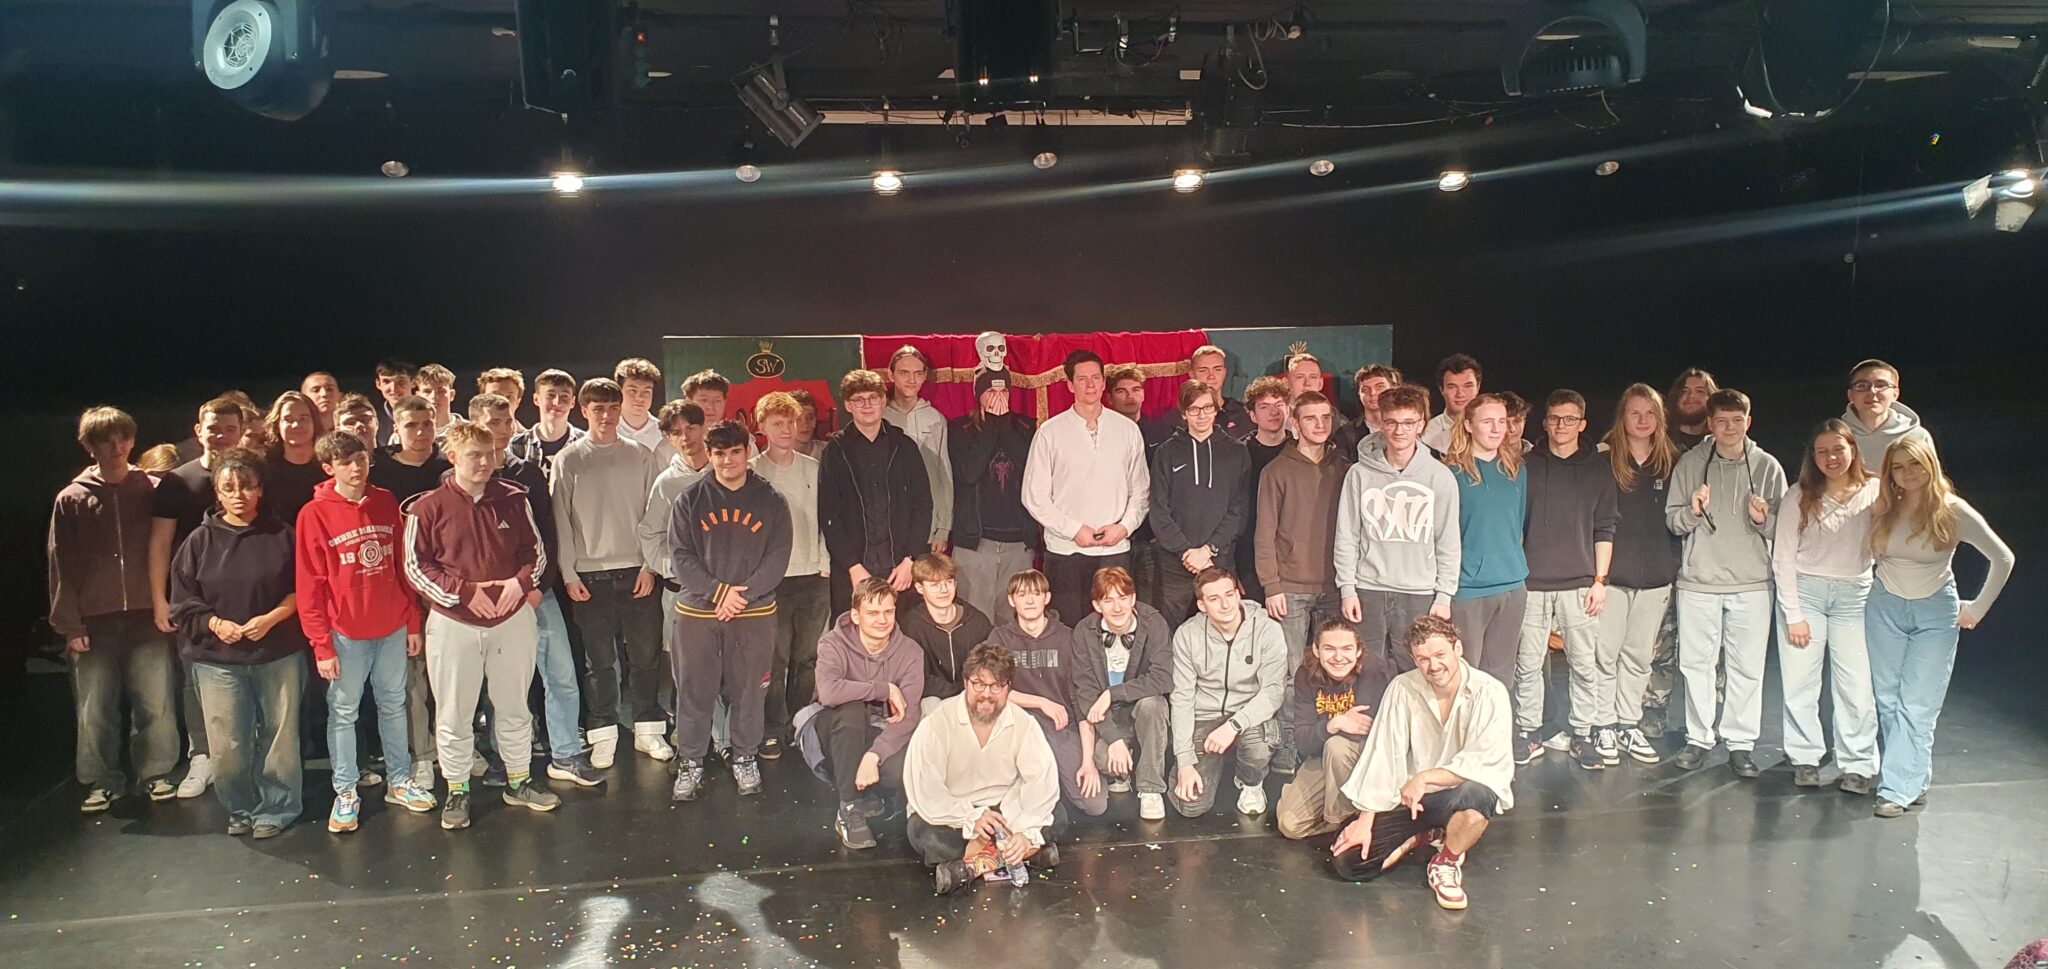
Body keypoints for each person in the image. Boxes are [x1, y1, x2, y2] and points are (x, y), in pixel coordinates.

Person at [402, 423, 559, 830]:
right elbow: (416, 568)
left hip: (512, 619)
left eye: (489, 454)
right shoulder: (427, 508)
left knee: (514, 705)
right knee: (454, 712)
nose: (485, 462)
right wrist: (465, 593)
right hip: (454, 623)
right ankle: (457, 789)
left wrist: (518, 584)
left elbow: (535, 552)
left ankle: (519, 781)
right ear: (453, 457)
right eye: (474, 455)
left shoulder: (514, 498)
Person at [295, 431, 437, 833]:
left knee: (394, 704)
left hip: (391, 626)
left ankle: (400, 780)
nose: (356, 468)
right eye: (345, 462)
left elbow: (401, 566)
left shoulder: (385, 501)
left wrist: (412, 621)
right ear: (329, 468)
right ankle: (345, 791)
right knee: (344, 711)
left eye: (360, 459)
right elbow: (309, 585)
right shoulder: (313, 514)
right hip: (345, 633)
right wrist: (322, 645)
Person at [1866, 436, 2013, 817]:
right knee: (1888, 699)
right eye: (1898, 467)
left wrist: (1978, 608)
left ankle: (1895, 789)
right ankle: (1913, 778)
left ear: (1930, 463)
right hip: (1884, 607)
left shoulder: (1952, 510)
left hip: (1934, 612)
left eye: (1914, 464)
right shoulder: (1885, 505)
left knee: (1918, 703)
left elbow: (2002, 558)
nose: (1907, 473)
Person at [1330, 615, 1513, 912]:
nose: (1433, 666)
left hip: (1458, 794)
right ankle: (1428, 834)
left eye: (1440, 655)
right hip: (1412, 801)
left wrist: (1425, 778)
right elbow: (1383, 754)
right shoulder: (1402, 688)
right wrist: (1365, 820)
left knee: (1479, 794)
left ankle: (1446, 861)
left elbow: (1484, 761)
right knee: (1349, 864)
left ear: (1458, 649)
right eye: (1423, 659)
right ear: (1414, 660)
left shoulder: (1489, 691)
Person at [168, 448, 306, 838]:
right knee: (227, 743)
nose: (239, 495)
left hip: (277, 652)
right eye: (229, 488)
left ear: (260, 489)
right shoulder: (198, 541)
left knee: (280, 737)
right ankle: (241, 807)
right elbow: (183, 601)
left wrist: (271, 618)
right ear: (217, 493)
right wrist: (215, 623)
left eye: (247, 486)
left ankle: (277, 807)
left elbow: (303, 588)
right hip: (218, 659)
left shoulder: (283, 535)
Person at [50, 406, 179, 812]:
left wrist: (166, 603)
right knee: (95, 707)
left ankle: (156, 773)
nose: (116, 446)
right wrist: (70, 624)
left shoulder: (153, 488)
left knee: (155, 701)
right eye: (105, 440)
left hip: (146, 613)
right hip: (95, 620)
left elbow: (168, 549)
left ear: (133, 440)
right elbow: (60, 563)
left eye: (123, 437)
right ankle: (102, 779)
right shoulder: (72, 498)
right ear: (89, 446)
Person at [472, 394, 602, 789]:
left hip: (536, 593)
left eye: (506, 420)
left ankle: (566, 753)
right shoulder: (461, 477)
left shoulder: (527, 473)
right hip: (492, 599)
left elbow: (547, 533)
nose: (501, 429)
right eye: (492, 422)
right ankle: (505, 758)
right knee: (502, 683)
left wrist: (535, 587)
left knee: (561, 673)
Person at [667, 421, 794, 802]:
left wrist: (743, 595)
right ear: (709, 454)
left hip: (753, 613)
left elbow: (777, 557)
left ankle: (744, 756)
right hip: (699, 613)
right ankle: (691, 760)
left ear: (747, 451)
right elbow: (681, 556)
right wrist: (719, 592)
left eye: (735, 452)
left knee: (750, 692)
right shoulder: (690, 500)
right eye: (719, 454)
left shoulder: (771, 500)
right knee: (694, 691)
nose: (727, 461)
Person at [1664, 389, 1788, 777]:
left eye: (1737, 421)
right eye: (1721, 421)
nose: (1729, 428)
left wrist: (1762, 520)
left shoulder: (1767, 466)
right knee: (1695, 665)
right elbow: (1673, 521)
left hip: (1752, 584)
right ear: (1710, 424)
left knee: (1746, 668)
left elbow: (1784, 530)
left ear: (1748, 422)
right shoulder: (1690, 464)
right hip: (1699, 582)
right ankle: (1699, 738)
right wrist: (1692, 511)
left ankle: (1740, 743)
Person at [554, 377, 668, 768]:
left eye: (612, 408)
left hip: (638, 571)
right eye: (598, 409)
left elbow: (655, 516)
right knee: (599, 662)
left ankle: (648, 728)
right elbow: (561, 519)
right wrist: (569, 573)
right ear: (584, 411)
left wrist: (650, 565)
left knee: (645, 657)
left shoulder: (641, 455)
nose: (606, 415)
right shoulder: (568, 459)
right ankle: (603, 732)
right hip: (590, 576)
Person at [1771, 419, 1881, 792]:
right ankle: (1805, 757)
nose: (1831, 458)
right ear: (1813, 457)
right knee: (1801, 682)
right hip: (1807, 594)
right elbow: (1783, 556)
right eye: (1822, 452)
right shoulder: (1799, 495)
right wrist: (1793, 614)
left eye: (1838, 449)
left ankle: (1858, 763)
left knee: (1856, 685)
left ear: (1852, 450)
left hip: (1855, 597)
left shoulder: (1875, 491)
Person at [1512, 390, 1617, 770]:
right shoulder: (1526, 466)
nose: (1561, 425)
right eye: (1555, 418)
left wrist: (1600, 580)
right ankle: (1529, 733)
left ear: (1582, 424)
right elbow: (1515, 526)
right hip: (1532, 584)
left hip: (1580, 584)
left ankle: (1583, 734)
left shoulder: (1598, 469)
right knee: (1527, 666)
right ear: (1545, 423)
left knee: (1584, 665)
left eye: (1570, 419)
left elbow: (1605, 527)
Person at [904, 642, 1062, 895]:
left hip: (1005, 809)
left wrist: (1023, 831)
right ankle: (1029, 854)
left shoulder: (1024, 723)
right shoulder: (937, 723)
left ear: (1008, 688)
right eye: (978, 684)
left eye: (996, 686)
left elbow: (1040, 781)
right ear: (966, 682)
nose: (986, 694)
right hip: (955, 811)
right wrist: (970, 818)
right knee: (923, 833)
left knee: (1058, 815)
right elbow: (927, 790)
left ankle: (970, 867)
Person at [149, 394, 245, 800]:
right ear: (198, 431)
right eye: (213, 429)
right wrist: (160, 599)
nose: (221, 436)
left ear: (241, 433)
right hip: (193, 599)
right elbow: (160, 543)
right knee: (194, 679)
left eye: (229, 429)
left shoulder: (252, 476)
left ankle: (244, 755)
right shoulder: (177, 481)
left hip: (244, 596)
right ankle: (202, 755)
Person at [1256, 390, 1353, 772]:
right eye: (1311, 418)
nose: (1320, 425)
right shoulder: (1276, 471)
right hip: (1291, 588)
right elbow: (1265, 534)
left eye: (1325, 418)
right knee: (1291, 673)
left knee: (1336, 666)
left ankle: (1332, 740)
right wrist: (1272, 586)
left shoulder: (1344, 468)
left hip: (1334, 586)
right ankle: (1289, 745)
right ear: (1294, 423)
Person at [1336, 385, 1460, 672]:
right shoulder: (1359, 474)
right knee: (1366, 671)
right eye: (1391, 422)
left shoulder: (1440, 477)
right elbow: (1347, 535)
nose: (1399, 430)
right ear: (1381, 423)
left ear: (1421, 425)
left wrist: (1444, 595)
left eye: (1408, 422)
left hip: (1419, 592)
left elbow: (1448, 540)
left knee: (1417, 670)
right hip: (1368, 589)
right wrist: (1347, 588)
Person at [1022, 350, 1150, 624]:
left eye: (1096, 378)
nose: (1090, 385)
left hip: (1114, 550)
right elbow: (1034, 496)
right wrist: (1073, 530)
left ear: (1103, 383)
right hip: (1066, 552)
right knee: (1069, 626)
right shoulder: (1050, 432)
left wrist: (1124, 527)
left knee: (1115, 624)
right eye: (1082, 379)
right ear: (1070, 385)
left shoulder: (1127, 430)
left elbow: (1141, 491)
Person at [1594, 384, 1681, 767]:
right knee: (1605, 654)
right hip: (1612, 576)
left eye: (1650, 413)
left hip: (1656, 576)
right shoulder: (1603, 458)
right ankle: (1602, 725)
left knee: (1639, 657)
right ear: (1623, 417)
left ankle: (1628, 723)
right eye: (1635, 412)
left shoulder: (1673, 462)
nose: (1643, 420)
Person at [813, 578, 925, 850]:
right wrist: (884, 689)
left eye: (888, 611)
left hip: (880, 731)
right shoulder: (833, 644)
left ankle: (870, 790)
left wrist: (874, 755)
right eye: (873, 613)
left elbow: (909, 713)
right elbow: (828, 692)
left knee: (899, 770)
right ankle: (848, 807)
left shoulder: (910, 651)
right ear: (856, 616)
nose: (882, 620)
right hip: (836, 730)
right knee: (851, 710)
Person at [988, 569, 1108, 818]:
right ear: (1011, 600)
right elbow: (990, 689)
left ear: (1047, 598)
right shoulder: (1000, 638)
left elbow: (1081, 698)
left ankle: (1059, 781)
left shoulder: (1067, 637)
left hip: (1060, 727)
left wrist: (1088, 761)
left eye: (1036, 594)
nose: (1030, 601)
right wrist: (1040, 702)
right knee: (1014, 799)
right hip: (1017, 727)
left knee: (1095, 805)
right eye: (1022, 595)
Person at [1169, 567, 1288, 818]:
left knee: (1259, 744)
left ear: (1238, 594)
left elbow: (1274, 691)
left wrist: (1234, 725)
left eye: (1229, 594)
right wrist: (1184, 762)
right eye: (1214, 599)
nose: (1225, 604)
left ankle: (1250, 781)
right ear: (1202, 605)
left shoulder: (1267, 629)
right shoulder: (1187, 634)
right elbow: (1182, 698)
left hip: (1248, 717)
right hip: (1205, 717)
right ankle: (1214, 765)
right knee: (1191, 807)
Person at [752, 392, 832, 756]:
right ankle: (772, 727)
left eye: (791, 422)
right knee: (775, 658)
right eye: (778, 423)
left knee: (806, 656)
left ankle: (800, 722)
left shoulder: (813, 468)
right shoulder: (752, 471)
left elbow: (826, 519)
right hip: (772, 580)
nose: (787, 430)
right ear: (762, 427)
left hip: (813, 575)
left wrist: (825, 562)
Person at [818, 369, 933, 614]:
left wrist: (910, 560)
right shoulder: (835, 450)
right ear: (848, 405)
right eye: (859, 400)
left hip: (900, 569)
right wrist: (852, 566)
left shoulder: (905, 446)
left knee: (903, 630)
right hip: (854, 570)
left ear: (883, 401)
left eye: (873, 397)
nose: (867, 405)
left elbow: (923, 506)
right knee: (853, 632)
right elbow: (829, 515)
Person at [1069, 566, 1175, 820]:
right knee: (1104, 759)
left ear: (1133, 598)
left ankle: (1150, 789)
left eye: (1123, 598)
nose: (1118, 607)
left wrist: (1112, 693)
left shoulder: (1153, 622)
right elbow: (1085, 693)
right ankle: (1123, 769)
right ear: (1097, 605)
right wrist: (1114, 739)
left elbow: (1163, 679)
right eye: (1108, 600)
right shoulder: (1084, 631)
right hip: (1108, 716)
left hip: (1140, 709)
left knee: (1154, 704)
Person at [1276, 620, 1393, 840]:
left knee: (1337, 746)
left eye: (1346, 649)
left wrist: (1325, 731)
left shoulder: (1373, 670)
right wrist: (1333, 724)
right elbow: (1303, 742)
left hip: (1368, 759)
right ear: (1316, 650)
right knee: (1289, 825)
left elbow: (1364, 730)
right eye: (1329, 649)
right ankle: (1347, 821)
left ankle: (1349, 820)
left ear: (1358, 651)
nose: (1338, 657)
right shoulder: (1305, 674)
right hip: (1321, 757)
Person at [1443, 393, 1528, 693]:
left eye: (1501, 422)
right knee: (1466, 676)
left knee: (1501, 678)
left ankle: (1497, 726)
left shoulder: (1515, 469)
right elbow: (1445, 534)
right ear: (1468, 425)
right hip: (1468, 590)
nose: (1496, 429)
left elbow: (1518, 523)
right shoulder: (1451, 473)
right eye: (1487, 422)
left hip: (1511, 586)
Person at [1148, 379, 1252, 622]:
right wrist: (1186, 552)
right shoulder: (1166, 452)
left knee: (1222, 625)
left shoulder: (1237, 451)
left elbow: (1239, 510)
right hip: (1175, 563)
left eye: (1207, 407)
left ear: (1216, 410)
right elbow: (1159, 511)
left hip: (1218, 559)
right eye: (1194, 409)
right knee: (1171, 628)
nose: (1202, 415)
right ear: (1184, 413)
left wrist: (1208, 550)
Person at [946, 369, 1037, 624]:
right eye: (990, 391)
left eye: (1003, 391)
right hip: (976, 540)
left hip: (1018, 541)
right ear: (978, 395)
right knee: (974, 619)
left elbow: (1030, 470)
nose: (998, 397)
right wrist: (990, 428)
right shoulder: (960, 428)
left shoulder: (1026, 427)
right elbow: (968, 472)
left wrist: (1004, 425)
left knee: (1014, 618)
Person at [897, 554, 993, 715]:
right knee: (932, 705)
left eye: (948, 582)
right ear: (919, 587)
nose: (944, 590)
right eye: (935, 585)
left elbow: (990, 668)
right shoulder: (910, 626)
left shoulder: (977, 621)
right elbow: (919, 679)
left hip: (974, 696)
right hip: (932, 698)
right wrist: (958, 692)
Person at [1107, 363, 1169, 607]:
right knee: (1114, 597)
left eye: (1136, 389)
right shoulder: (1101, 434)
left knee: (1149, 602)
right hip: (1112, 533)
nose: (1130, 396)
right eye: (1121, 391)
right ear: (1110, 398)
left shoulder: (1162, 433)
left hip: (1151, 535)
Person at [882, 346, 953, 552]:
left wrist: (943, 528)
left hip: (927, 527)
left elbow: (944, 477)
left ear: (924, 376)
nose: (911, 380)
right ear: (891, 375)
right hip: (887, 528)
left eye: (918, 373)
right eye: (904, 373)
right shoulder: (879, 418)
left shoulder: (936, 419)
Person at [1236, 376, 1293, 604]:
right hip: (1249, 554)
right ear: (1252, 415)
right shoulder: (1239, 453)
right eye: (1264, 407)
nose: (1273, 412)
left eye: (1279, 404)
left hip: (1292, 556)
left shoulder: (1300, 450)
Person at [1843, 359, 1933, 473]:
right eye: (1861, 386)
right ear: (1850, 395)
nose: (1872, 391)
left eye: (1881, 385)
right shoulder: (1838, 436)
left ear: (1895, 394)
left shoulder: (1916, 436)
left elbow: (1932, 479)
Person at [369, 396, 452, 503]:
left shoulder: (449, 467)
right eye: (411, 425)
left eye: (427, 424)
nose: (420, 432)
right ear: (396, 429)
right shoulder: (379, 468)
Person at [263, 391, 327, 525]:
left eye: (303, 418)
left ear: (314, 422)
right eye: (288, 419)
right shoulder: (264, 469)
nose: (296, 425)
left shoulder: (330, 466)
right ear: (277, 425)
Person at [509, 369, 585, 477]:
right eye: (550, 395)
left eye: (564, 396)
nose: (557, 402)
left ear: (573, 402)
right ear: (536, 399)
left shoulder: (586, 443)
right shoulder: (516, 445)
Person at [1332, 364, 1402, 462]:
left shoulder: (1407, 427)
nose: (1372, 393)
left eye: (1380, 387)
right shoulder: (1346, 433)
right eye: (1365, 389)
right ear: (1359, 393)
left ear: (1392, 388)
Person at [1186, 344, 1254, 441]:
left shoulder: (1245, 415)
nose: (1211, 376)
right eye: (1203, 371)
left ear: (1224, 372)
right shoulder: (1177, 419)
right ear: (1192, 375)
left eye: (1217, 370)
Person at [1420, 354, 1481, 455]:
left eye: (1467, 386)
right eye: (1452, 387)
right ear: (1441, 389)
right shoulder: (1428, 435)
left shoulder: (1494, 429)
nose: (1460, 394)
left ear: (1478, 387)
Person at [614, 357, 667, 455]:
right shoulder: (608, 430)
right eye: (632, 390)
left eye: (646, 391)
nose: (639, 398)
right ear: (619, 391)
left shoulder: (665, 433)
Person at [1666, 367, 1716, 451]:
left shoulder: (1720, 441)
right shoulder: (1661, 440)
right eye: (1684, 391)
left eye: (1700, 391)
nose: (1691, 395)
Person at [373, 360, 417, 442]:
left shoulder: (428, 412)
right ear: (378, 384)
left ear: (414, 383)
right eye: (386, 382)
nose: (393, 388)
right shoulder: (374, 418)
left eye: (401, 381)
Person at [414, 364, 461, 435]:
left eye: (441, 391)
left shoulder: (471, 432)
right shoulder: (407, 432)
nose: (434, 396)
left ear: (452, 395)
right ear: (418, 396)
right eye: (427, 391)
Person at [790, 388, 828, 458]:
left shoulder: (831, 450)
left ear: (815, 421)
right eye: (797, 419)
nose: (805, 424)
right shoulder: (775, 456)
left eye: (810, 418)